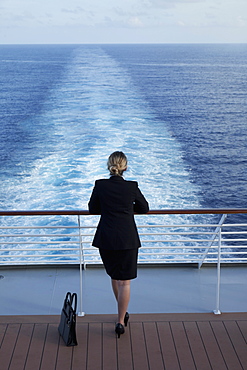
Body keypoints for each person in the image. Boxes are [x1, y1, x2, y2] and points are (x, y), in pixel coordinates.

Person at [88, 151, 149, 338]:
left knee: (114, 276)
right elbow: (144, 208)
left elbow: (93, 209)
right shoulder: (131, 187)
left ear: (109, 166)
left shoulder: (100, 185)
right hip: (127, 238)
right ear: (125, 167)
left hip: (106, 238)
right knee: (125, 282)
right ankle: (121, 321)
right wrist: (127, 208)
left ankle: (121, 313)